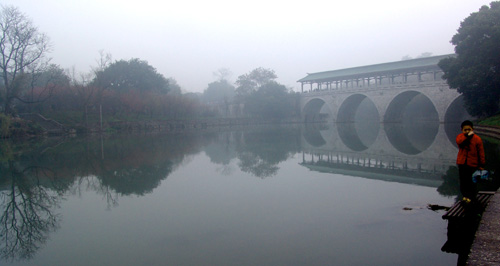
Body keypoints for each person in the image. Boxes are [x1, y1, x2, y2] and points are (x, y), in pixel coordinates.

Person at [456, 120, 486, 203]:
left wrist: (482, 164)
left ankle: (472, 196)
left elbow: (481, 152)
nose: (467, 131)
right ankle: (465, 196)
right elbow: (461, 145)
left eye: (469, 129)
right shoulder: (460, 137)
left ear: (472, 129)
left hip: (472, 164)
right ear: (462, 130)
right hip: (462, 163)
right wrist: (468, 137)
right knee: (463, 181)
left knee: (472, 181)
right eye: (465, 130)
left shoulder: (477, 139)